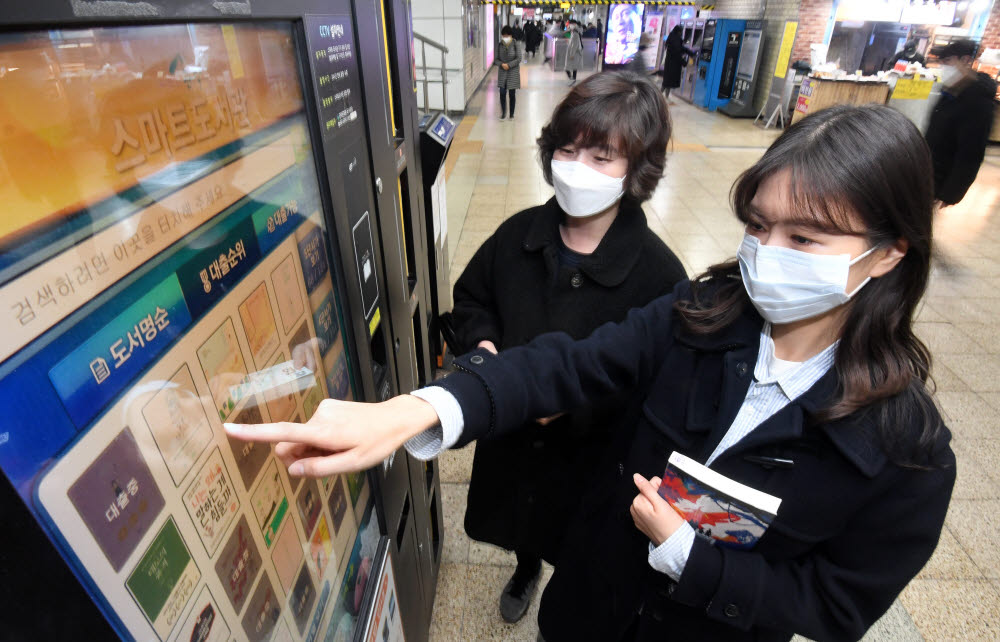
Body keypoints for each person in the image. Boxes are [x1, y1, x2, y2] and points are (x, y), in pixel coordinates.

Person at [225, 104, 956, 641]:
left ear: (890, 252)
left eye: (805, 237)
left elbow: (835, 607)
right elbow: (565, 364)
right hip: (585, 608)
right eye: (758, 226)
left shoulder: (904, 453)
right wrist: (422, 408)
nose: (767, 252)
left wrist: (693, 559)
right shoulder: (698, 313)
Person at [449, 71, 686, 623]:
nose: (578, 168)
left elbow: (660, 379)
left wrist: (578, 402)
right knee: (523, 522)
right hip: (511, 435)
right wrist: (483, 347)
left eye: (602, 157)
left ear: (636, 171)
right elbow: (472, 297)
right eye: (568, 149)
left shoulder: (659, 274)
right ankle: (526, 565)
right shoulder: (518, 234)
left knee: (583, 536)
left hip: (594, 454)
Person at [925, 38, 997, 206]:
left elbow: (971, 154)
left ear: (965, 60)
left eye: (948, 61)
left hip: (940, 182)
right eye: (941, 62)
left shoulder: (978, 101)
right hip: (927, 174)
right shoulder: (952, 90)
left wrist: (950, 194)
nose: (943, 67)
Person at [662, 25, 695, 102]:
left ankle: (664, 97)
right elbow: (677, 53)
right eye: (681, 31)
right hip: (672, 65)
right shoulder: (675, 39)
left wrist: (690, 53)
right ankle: (661, 96)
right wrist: (684, 63)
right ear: (679, 31)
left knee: (667, 82)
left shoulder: (673, 37)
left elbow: (681, 48)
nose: (682, 33)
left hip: (670, 64)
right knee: (667, 82)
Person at [496, 26, 520, 121]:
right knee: (502, 92)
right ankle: (503, 113)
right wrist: (502, 64)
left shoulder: (515, 44)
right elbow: (496, 59)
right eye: (503, 36)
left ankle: (511, 114)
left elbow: (519, 58)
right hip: (502, 73)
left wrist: (509, 65)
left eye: (506, 36)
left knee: (512, 94)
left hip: (513, 72)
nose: (505, 37)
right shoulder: (500, 45)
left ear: (510, 35)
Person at [565, 20, 583, 85]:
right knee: (574, 67)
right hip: (573, 52)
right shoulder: (574, 32)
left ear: (574, 24)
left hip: (574, 53)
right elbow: (573, 42)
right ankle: (573, 79)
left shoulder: (575, 34)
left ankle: (572, 79)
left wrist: (572, 54)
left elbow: (575, 45)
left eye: (570, 24)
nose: (569, 26)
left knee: (567, 68)